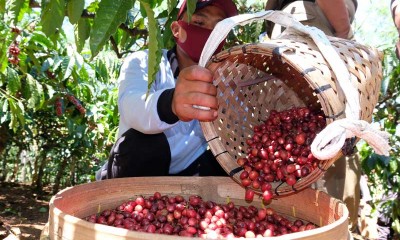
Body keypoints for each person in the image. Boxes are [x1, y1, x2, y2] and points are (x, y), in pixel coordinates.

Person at [96, 0, 238, 180]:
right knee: (146, 142)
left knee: (224, 160)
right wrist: (170, 103)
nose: (209, 34)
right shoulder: (144, 62)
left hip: (185, 174)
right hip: (133, 168)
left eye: (218, 29)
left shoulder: (224, 80)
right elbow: (131, 106)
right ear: (176, 30)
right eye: (199, 23)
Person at [263, 0, 360, 232]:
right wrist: (343, 31)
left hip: (300, 25)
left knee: (314, 144)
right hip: (317, 21)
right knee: (320, 150)